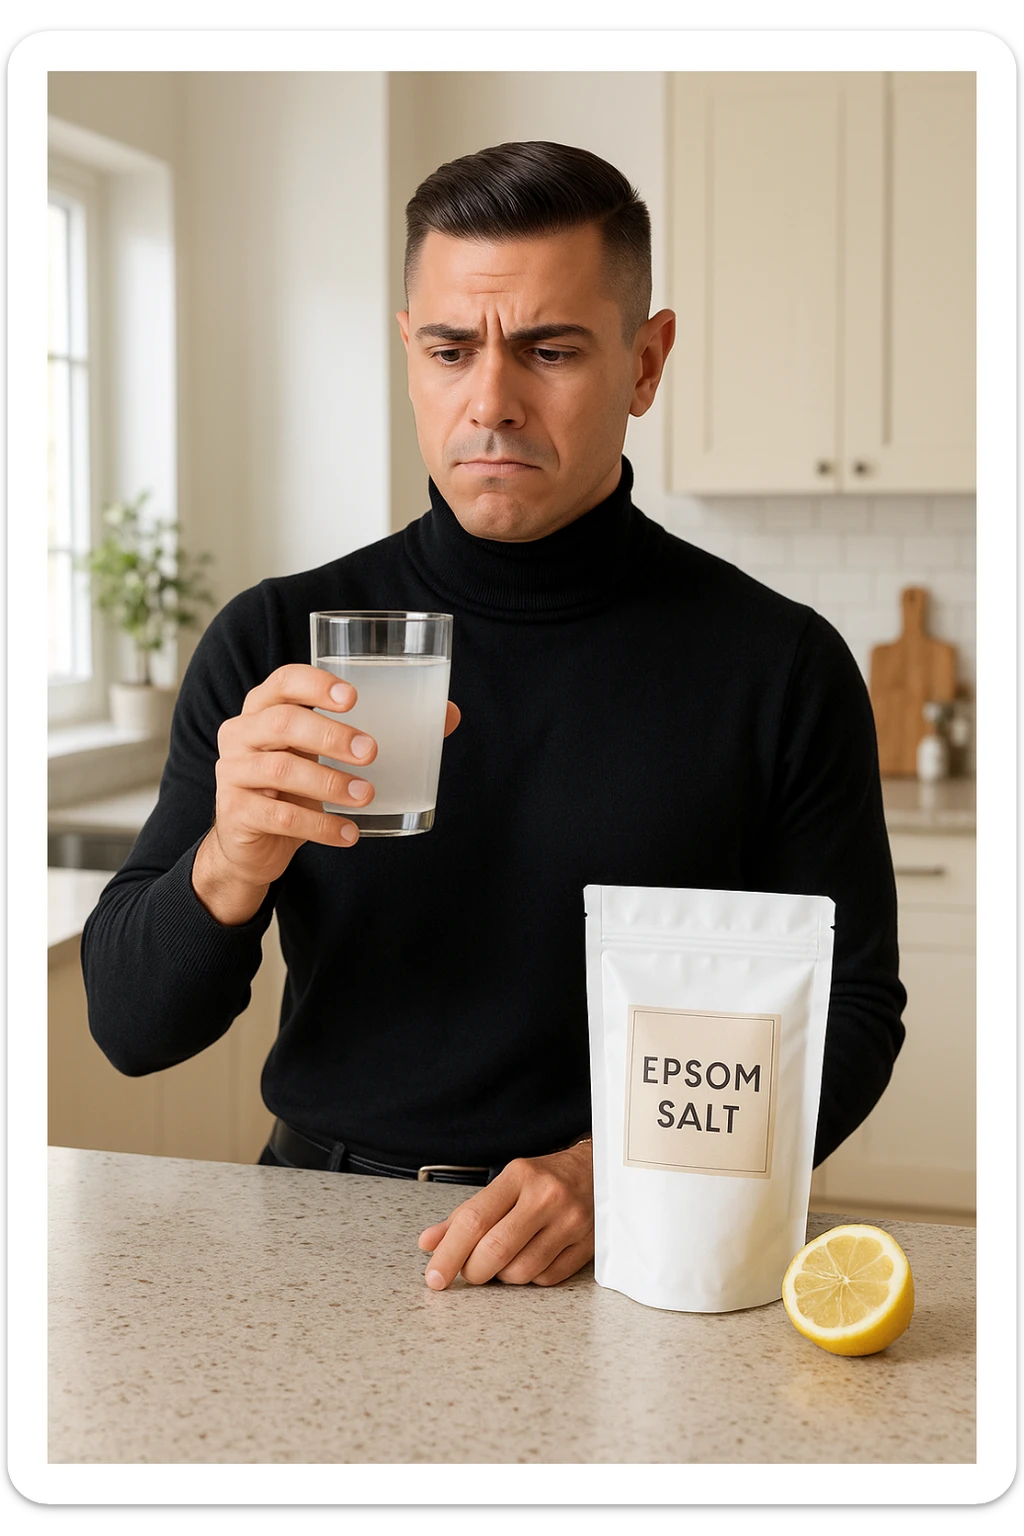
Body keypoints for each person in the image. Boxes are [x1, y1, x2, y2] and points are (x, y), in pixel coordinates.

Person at [81, 140, 906, 1292]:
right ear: (407, 353)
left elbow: (853, 1011)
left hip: (630, 1247)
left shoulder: (778, 664)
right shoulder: (278, 638)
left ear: (646, 361)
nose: (491, 402)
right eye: (450, 348)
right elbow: (131, 1030)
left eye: (550, 349)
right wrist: (229, 860)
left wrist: (611, 1172)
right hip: (314, 1236)